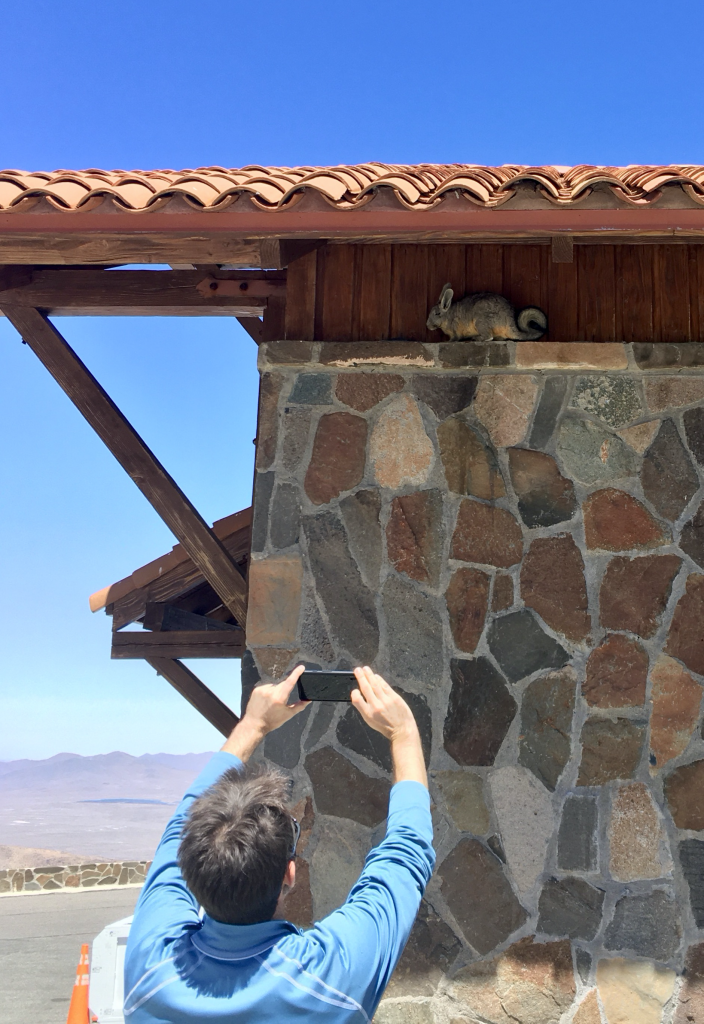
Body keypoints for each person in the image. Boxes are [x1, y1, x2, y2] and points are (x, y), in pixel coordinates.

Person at [123, 664, 435, 1022]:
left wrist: (251, 725)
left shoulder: (150, 966)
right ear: (289, 874)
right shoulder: (330, 980)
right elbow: (405, 853)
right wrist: (404, 732)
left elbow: (180, 824)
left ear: (189, 869)